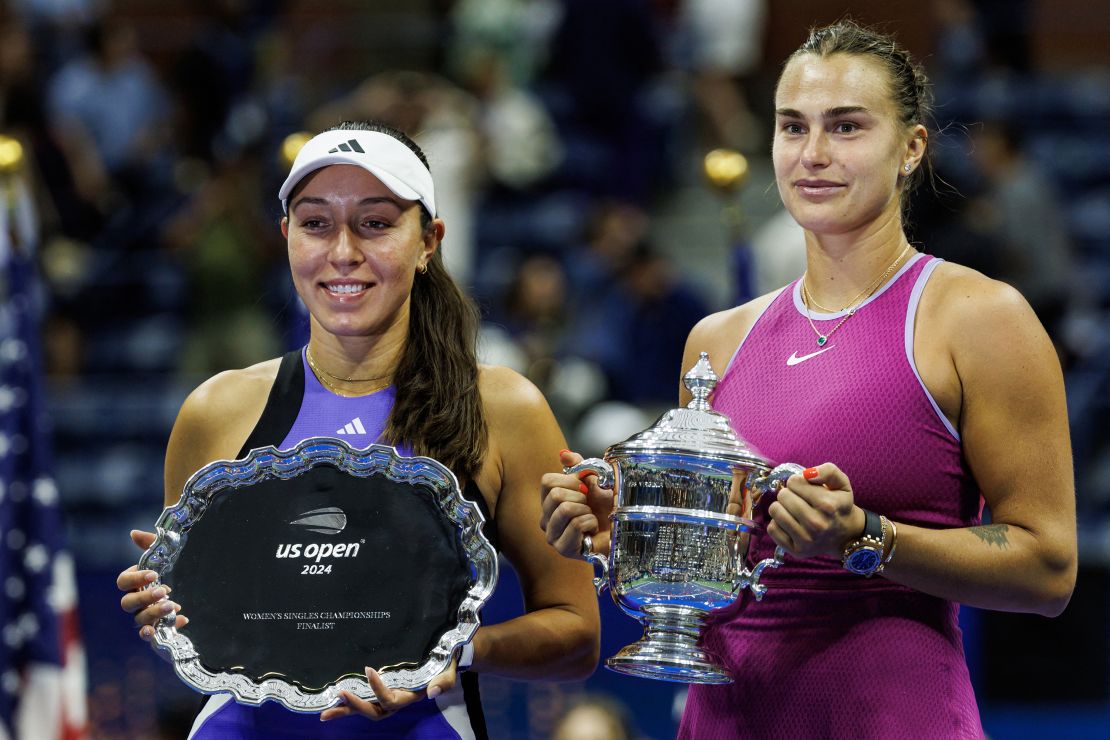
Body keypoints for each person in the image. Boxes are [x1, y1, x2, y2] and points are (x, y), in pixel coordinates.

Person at [541, 20, 1076, 739]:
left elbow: (1048, 569)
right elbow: (724, 575)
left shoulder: (978, 317)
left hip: (893, 718)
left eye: (847, 127)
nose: (814, 155)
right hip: (722, 721)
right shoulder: (716, 340)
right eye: (793, 127)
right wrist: (628, 538)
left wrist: (866, 537)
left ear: (911, 148)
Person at [116, 120, 600, 738]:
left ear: (429, 241)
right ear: (287, 237)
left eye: (375, 222)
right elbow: (211, 637)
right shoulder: (215, 411)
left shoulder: (502, 407)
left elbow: (575, 632)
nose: (343, 252)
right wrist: (169, 615)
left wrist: (450, 658)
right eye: (316, 223)